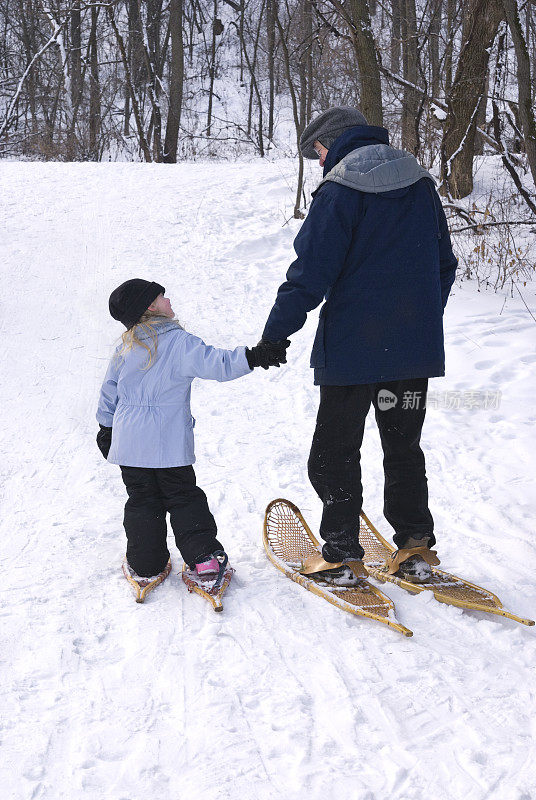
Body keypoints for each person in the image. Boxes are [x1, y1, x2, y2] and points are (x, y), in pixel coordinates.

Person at [261, 107, 458, 582]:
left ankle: (342, 553)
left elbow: (309, 275)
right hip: (412, 354)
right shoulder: (420, 183)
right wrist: (419, 322)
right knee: (403, 447)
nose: (321, 159)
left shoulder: (339, 191)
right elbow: (444, 265)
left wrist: (274, 335)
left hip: (351, 354)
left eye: (320, 150)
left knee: (334, 452)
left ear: (335, 141)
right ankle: (415, 547)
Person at [97, 278, 288, 582]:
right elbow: (219, 364)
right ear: (151, 306)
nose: (169, 300)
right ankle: (205, 561)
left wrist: (105, 427)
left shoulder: (126, 347)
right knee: (184, 497)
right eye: (163, 296)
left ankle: (145, 564)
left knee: (142, 500)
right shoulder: (180, 343)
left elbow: (109, 392)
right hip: (169, 444)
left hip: (130, 445)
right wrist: (254, 356)